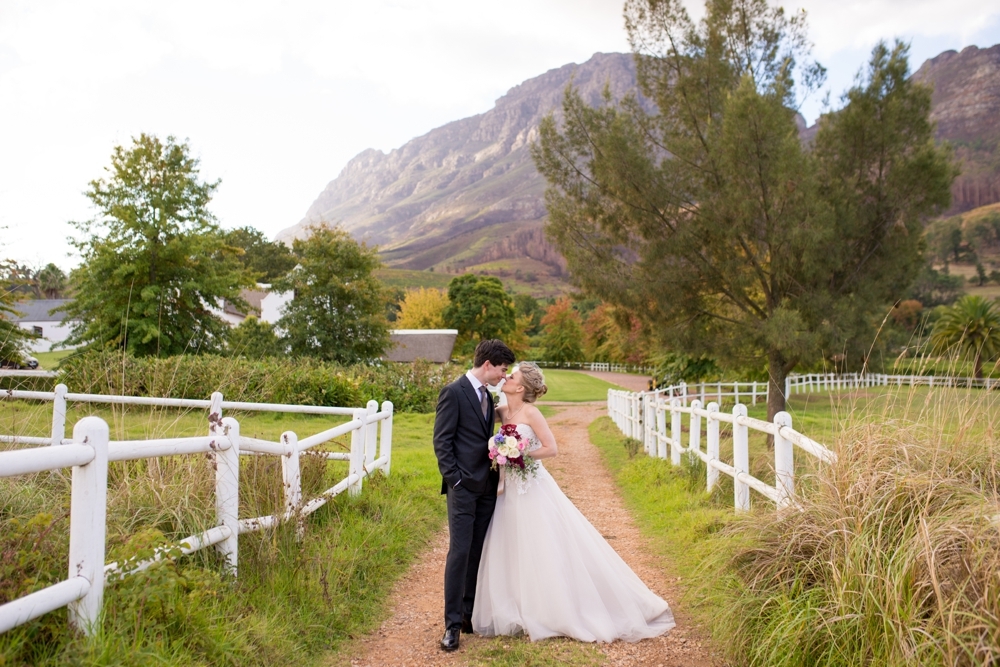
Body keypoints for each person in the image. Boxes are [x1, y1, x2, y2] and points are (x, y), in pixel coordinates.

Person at [472, 362, 675, 642]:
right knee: (513, 543)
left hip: (532, 486)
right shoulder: (503, 411)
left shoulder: (532, 412)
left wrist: (519, 453)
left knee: (543, 543)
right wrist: (499, 450)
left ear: (520, 387)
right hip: (509, 490)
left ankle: (557, 609)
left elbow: (551, 448)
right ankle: (518, 606)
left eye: (512, 375)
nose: (506, 377)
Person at [433, 339, 515, 652]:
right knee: (460, 552)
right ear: (488, 365)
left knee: (478, 551)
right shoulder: (453, 392)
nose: (503, 375)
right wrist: (454, 481)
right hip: (463, 488)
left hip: (487, 488)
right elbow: (442, 441)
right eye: (502, 369)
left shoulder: (489, 397)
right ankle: (451, 626)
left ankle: (468, 615)